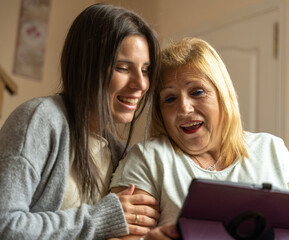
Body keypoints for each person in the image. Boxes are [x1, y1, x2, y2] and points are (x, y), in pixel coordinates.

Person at [110, 37, 289, 239]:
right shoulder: (149, 158)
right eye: (170, 98)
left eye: (197, 92)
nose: (184, 107)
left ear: (223, 95)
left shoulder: (271, 148)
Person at [0, 4, 178, 240]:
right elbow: (6, 225)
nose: (141, 84)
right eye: (123, 68)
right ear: (86, 65)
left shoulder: (119, 154)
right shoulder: (41, 120)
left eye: (145, 70)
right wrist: (102, 217)